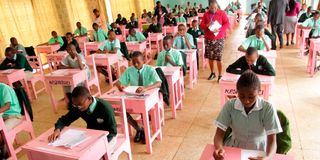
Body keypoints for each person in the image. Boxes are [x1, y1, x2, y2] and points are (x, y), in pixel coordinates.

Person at [213, 71, 282, 160]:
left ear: (259, 92)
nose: (246, 101)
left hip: (259, 150)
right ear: (237, 92)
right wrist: (219, 148)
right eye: (242, 96)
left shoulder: (267, 108)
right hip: (234, 147)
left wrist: (268, 158)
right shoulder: (230, 105)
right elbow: (219, 134)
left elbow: (272, 139)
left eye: (251, 97)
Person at [48, 86, 118, 151]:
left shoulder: (105, 109)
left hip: (108, 137)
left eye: (80, 104)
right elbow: (64, 120)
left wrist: (100, 143)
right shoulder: (78, 108)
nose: (78, 107)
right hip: (91, 136)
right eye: (75, 105)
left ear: (89, 99)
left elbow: (112, 132)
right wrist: (57, 129)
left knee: (99, 154)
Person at [116, 51, 161, 143]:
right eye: (134, 62)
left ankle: (146, 132)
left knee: (144, 112)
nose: (136, 65)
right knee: (122, 110)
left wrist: (146, 88)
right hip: (134, 97)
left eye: (138, 62)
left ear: (143, 60)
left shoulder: (150, 70)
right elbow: (119, 82)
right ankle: (139, 129)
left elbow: (158, 83)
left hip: (148, 97)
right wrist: (119, 85)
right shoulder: (129, 70)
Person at [200, 0, 229, 81]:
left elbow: (227, 23)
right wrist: (207, 25)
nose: (214, 9)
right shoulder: (206, 14)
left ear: (217, 7)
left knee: (219, 58)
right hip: (209, 39)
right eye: (212, 8)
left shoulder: (221, 13)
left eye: (215, 8)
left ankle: (220, 75)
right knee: (210, 58)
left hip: (219, 39)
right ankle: (212, 73)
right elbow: (201, 26)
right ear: (208, 7)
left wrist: (220, 30)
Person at [0, 83, 22, 159]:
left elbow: (7, 106)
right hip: (2, 116)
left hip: (13, 116)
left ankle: (5, 155)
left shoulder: (3, 88)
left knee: (4, 131)